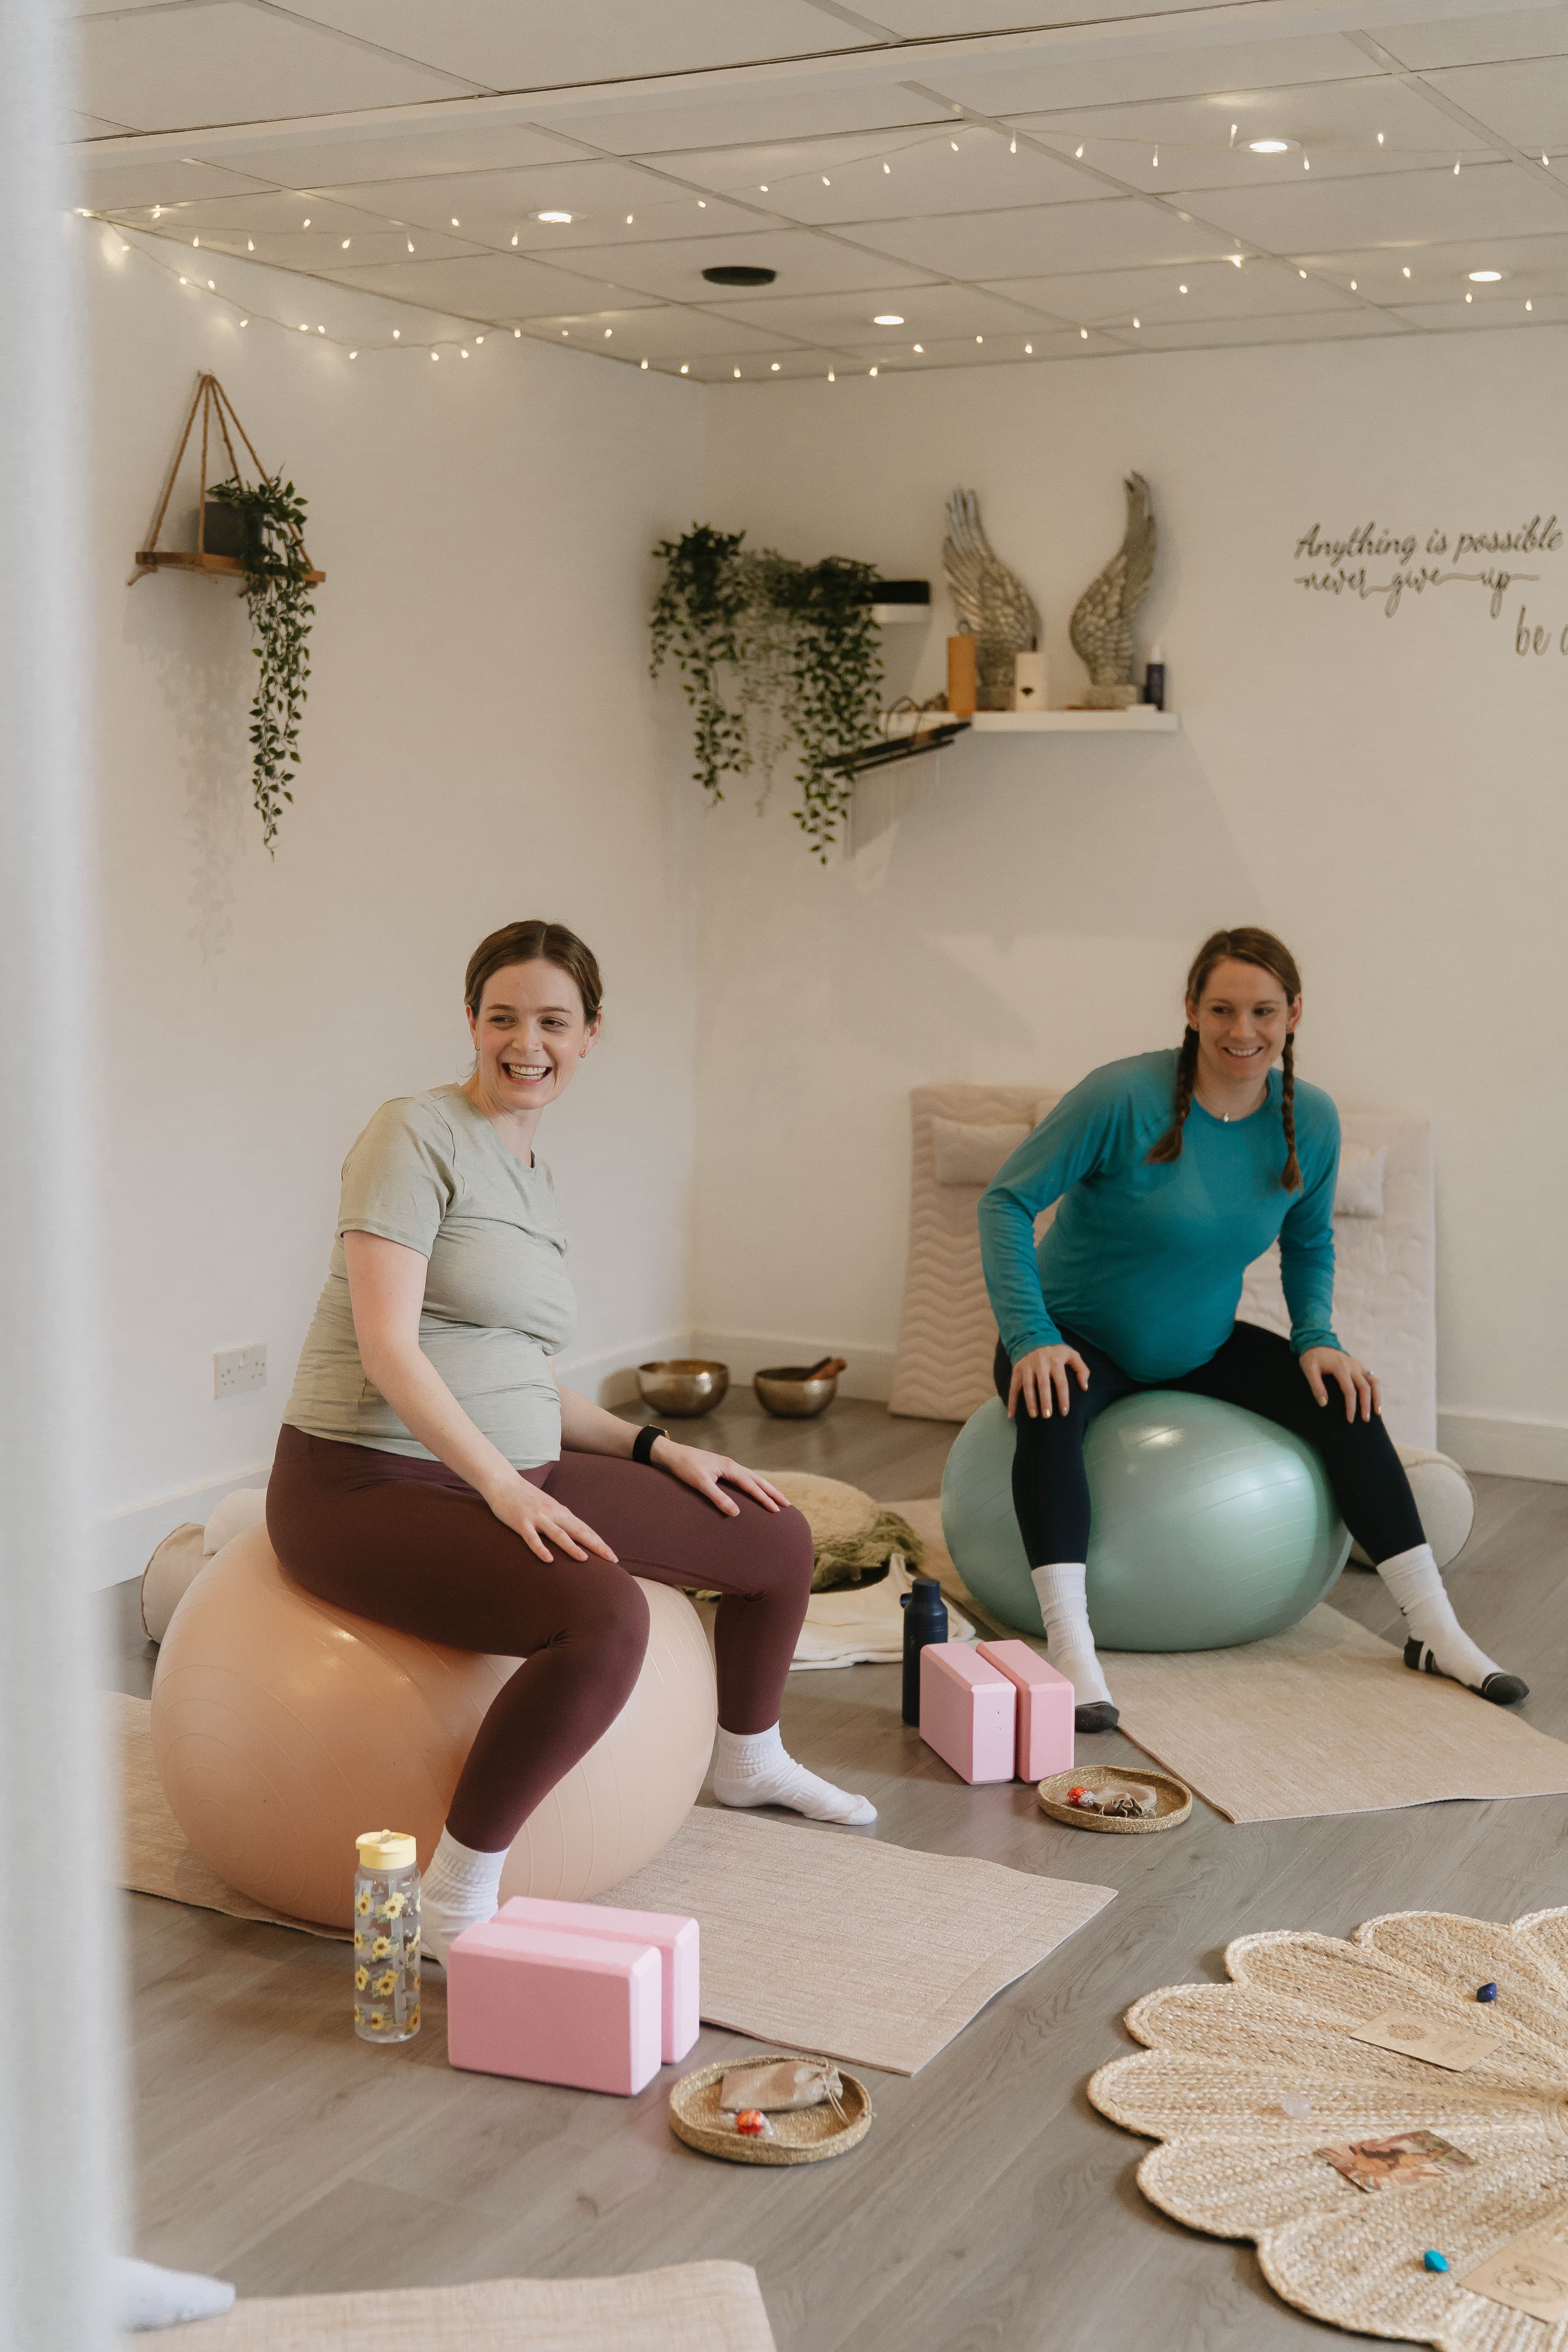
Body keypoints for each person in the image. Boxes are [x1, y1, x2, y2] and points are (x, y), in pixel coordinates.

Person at [267, 919, 873, 1964]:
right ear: (471, 1022)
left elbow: (527, 1379)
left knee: (771, 1536)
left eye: (554, 1021)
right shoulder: (410, 1134)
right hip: (362, 1484)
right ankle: (455, 1897)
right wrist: (506, 1490)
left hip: (514, 1468)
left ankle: (751, 1757)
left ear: (592, 1033)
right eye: (503, 1018)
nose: (527, 1042)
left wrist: (659, 1450)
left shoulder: (532, 1169)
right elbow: (388, 1351)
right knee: (603, 1619)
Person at [977, 926, 1524, 1733]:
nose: (1243, 1031)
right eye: (1223, 1009)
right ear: (1191, 1010)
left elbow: (1309, 1242)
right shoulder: (1118, 1098)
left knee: (1346, 1402)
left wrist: (1316, 1337)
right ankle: (1072, 1645)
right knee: (1053, 1412)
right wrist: (1031, 1337)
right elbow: (1006, 1203)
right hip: (1073, 1334)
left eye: (1263, 1011)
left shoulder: (1311, 1120)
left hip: (1197, 1342)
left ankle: (1435, 1631)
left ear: (1294, 1014)